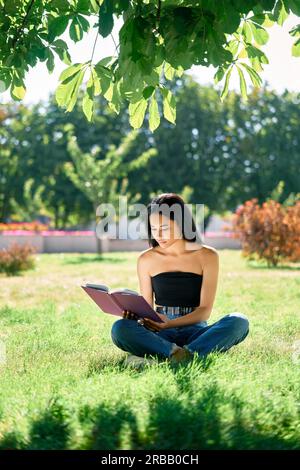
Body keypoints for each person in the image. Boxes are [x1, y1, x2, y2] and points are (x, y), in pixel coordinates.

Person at [111, 193, 249, 366]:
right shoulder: (146, 259)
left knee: (239, 321)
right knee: (120, 328)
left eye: (164, 228)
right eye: (154, 229)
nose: (158, 235)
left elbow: (204, 311)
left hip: (196, 330)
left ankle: (180, 353)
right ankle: (178, 353)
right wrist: (137, 318)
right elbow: (147, 310)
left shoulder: (208, 256)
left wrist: (170, 323)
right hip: (160, 332)